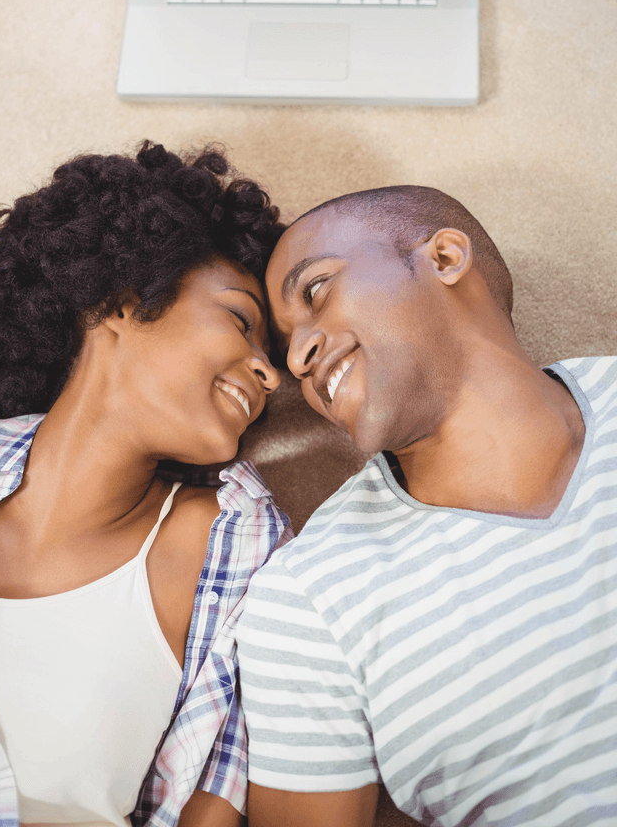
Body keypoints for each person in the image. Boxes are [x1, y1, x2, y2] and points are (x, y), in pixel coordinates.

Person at [0, 141, 292, 827]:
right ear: (120, 299)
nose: (269, 374)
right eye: (240, 321)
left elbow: (215, 797)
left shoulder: (239, 549)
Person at [236, 185, 617, 827]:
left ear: (443, 257)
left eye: (316, 291)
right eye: (285, 347)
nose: (299, 357)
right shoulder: (309, 596)